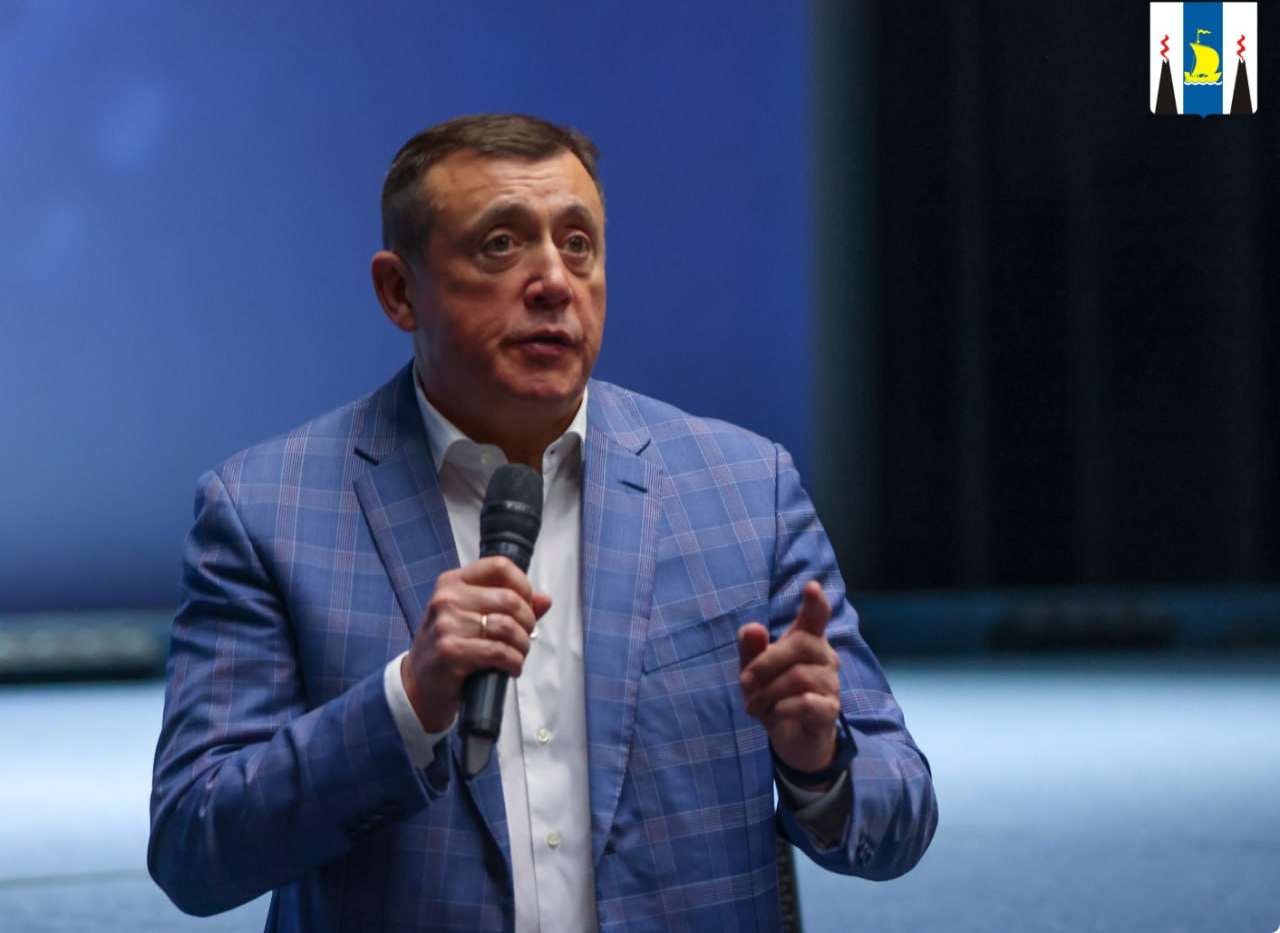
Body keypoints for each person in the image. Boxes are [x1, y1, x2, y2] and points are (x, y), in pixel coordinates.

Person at [148, 113, 937, 932]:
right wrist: (406, 703)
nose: (554, 281)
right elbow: (195, 848)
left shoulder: (744, 490)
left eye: (578, 244)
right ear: (399, 292)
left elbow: (901, 818)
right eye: (501, 245)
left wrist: (817, 766)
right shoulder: (266, 511)